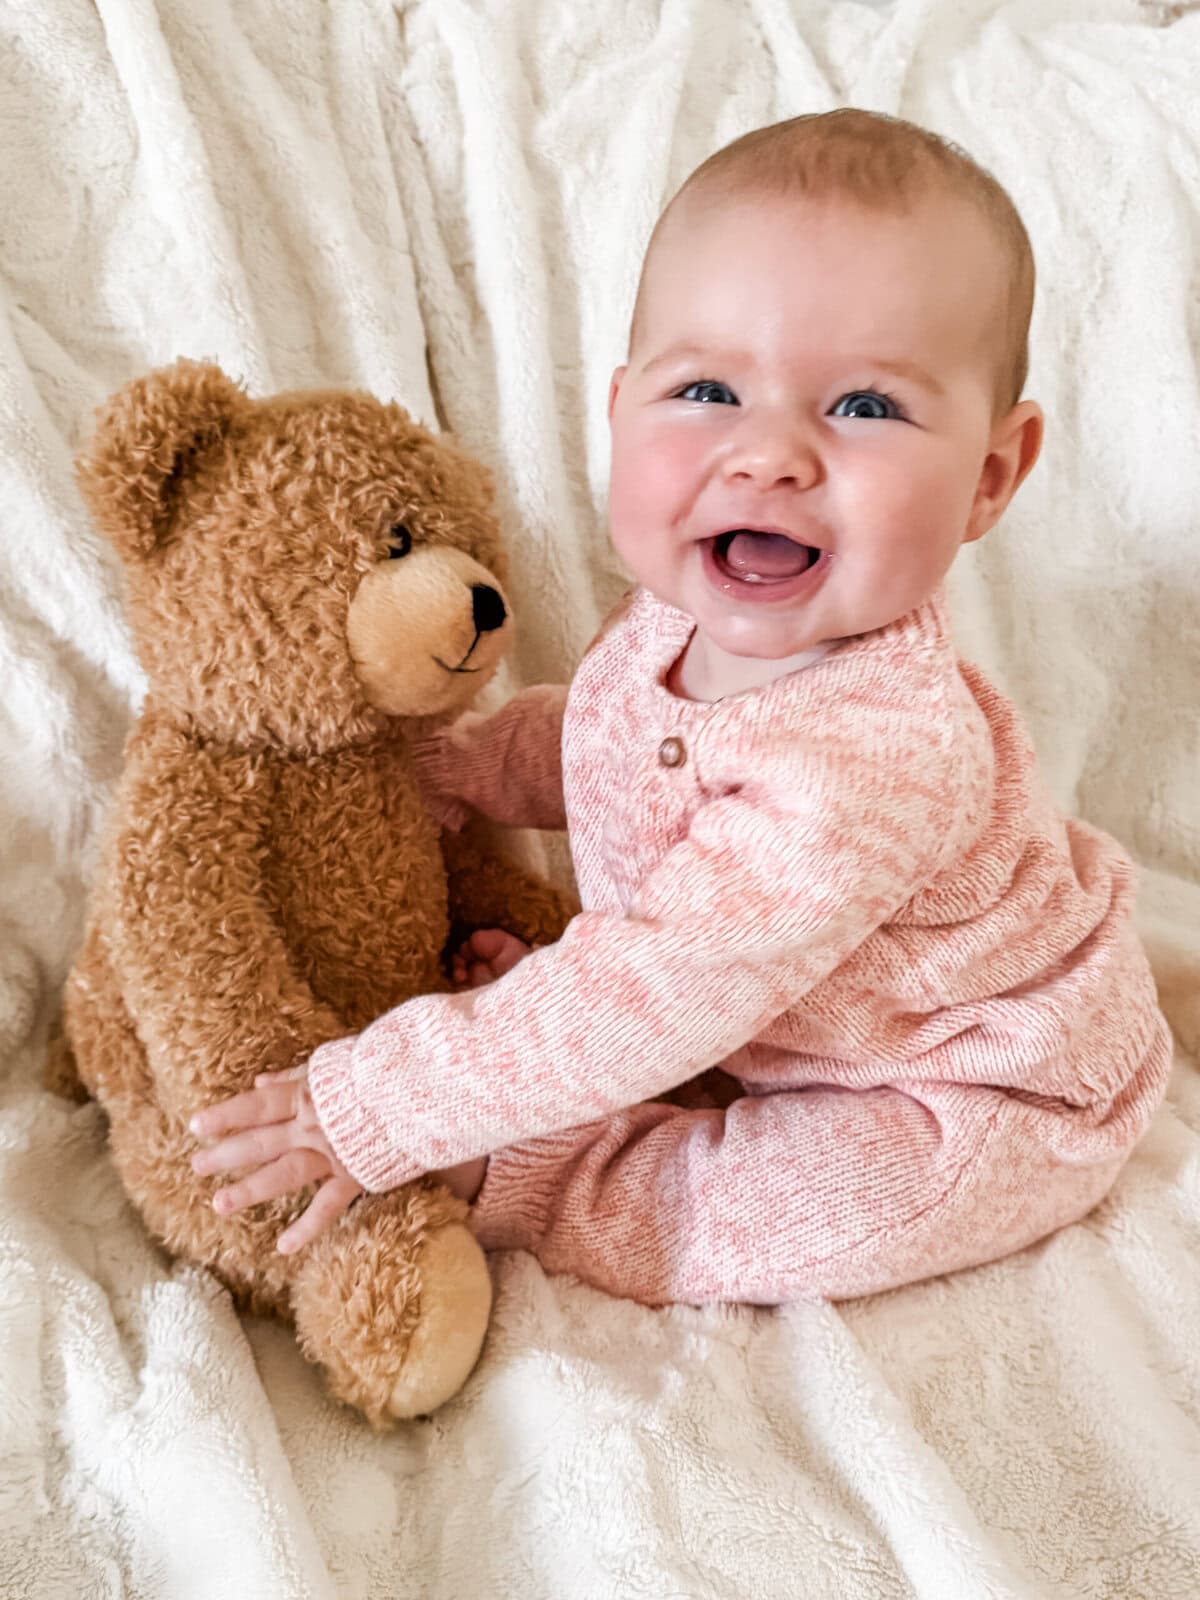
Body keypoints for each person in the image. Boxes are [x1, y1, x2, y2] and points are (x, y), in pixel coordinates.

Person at [190, 109, 1171, 1305]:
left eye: (863, 407)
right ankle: (590, 1066)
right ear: (618, 412)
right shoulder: (671, 616)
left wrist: (393, 1100)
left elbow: (665, 978)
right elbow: (605, 737)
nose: (768, 457)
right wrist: (457, 768)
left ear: (988, 476)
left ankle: (547, 1170)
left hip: (971, 1083)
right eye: (708, 388)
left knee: (799, 1207)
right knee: (626, 1016)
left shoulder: (880, 754)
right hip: (757, 1007)